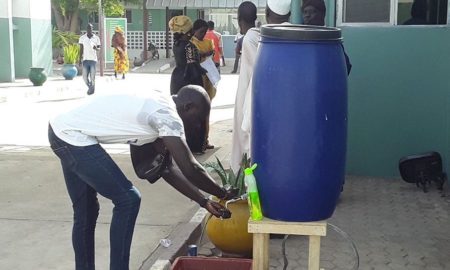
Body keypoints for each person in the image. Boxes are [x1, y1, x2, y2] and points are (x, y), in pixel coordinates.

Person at [48, 85, 236, 270]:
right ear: (188, 107)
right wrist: (223, 193)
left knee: (86, 211)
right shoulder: (167, 117)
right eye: (197, 119)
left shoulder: (157, 102)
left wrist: (203, 201)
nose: (196, 126)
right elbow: (190, 167)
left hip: (60, 128)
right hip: (72, 136)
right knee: (128, 199)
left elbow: (166, 169)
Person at [230, 0, 291, 173]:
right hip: (281, 97)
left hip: (252, 93)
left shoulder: (253, 37)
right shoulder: (292, 34)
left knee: (248, 139)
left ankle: (245, 179)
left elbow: (253, 72)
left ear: (266, 14)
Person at [301, 0, 352, 75]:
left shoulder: (330, 39)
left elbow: (346, 67)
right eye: (305, 12)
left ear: (321, 14)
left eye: (312, 12)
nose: (307, 15)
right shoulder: (300, 38)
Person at [191, 19, 217, 151]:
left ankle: (205, 139)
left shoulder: (208, 42)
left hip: (208, 78)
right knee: (197, 113)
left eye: (205, 32)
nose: (203, 35)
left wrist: (208, 54)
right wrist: (204, 54)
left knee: (207, 112)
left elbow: (212, 54)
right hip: (197, 79)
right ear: (195, 30)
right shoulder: (191, 43)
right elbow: (195, 56)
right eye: (201, 32)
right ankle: (197, 141)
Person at [169, 16, 204, 96]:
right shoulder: (189, 46)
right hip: (188, 79)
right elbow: (193, 66)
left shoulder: (176, 44)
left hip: (176, 78)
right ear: (188, 31)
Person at [79, 23, 100, 95]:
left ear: (92, 29)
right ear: (86, 29)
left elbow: (99, 48)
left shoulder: (96, 38)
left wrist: (96, 48)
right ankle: (90, 87)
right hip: (85, 60)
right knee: (84, 77)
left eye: (90, 28)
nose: (89, 29)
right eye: (88, 28)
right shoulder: (82, 38)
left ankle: (92, 88)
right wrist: (79, 60)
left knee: (92, 77)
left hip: (93, 60)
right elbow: (81, 49)